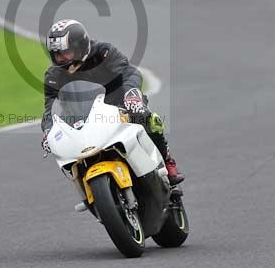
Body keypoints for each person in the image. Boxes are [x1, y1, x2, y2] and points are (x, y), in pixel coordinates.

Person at [40, 19, 184, 185]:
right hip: (82, 116)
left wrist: (132, 95)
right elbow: (49, 110)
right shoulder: (53, 76)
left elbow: (129, 73)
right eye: (57, 54)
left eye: (65, 53)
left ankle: (167, 161)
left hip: (119, 104)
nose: (61, 59)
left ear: (80, 46)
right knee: (65, 148)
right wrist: (48, 132)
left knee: (146, 117)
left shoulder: (103, 52)